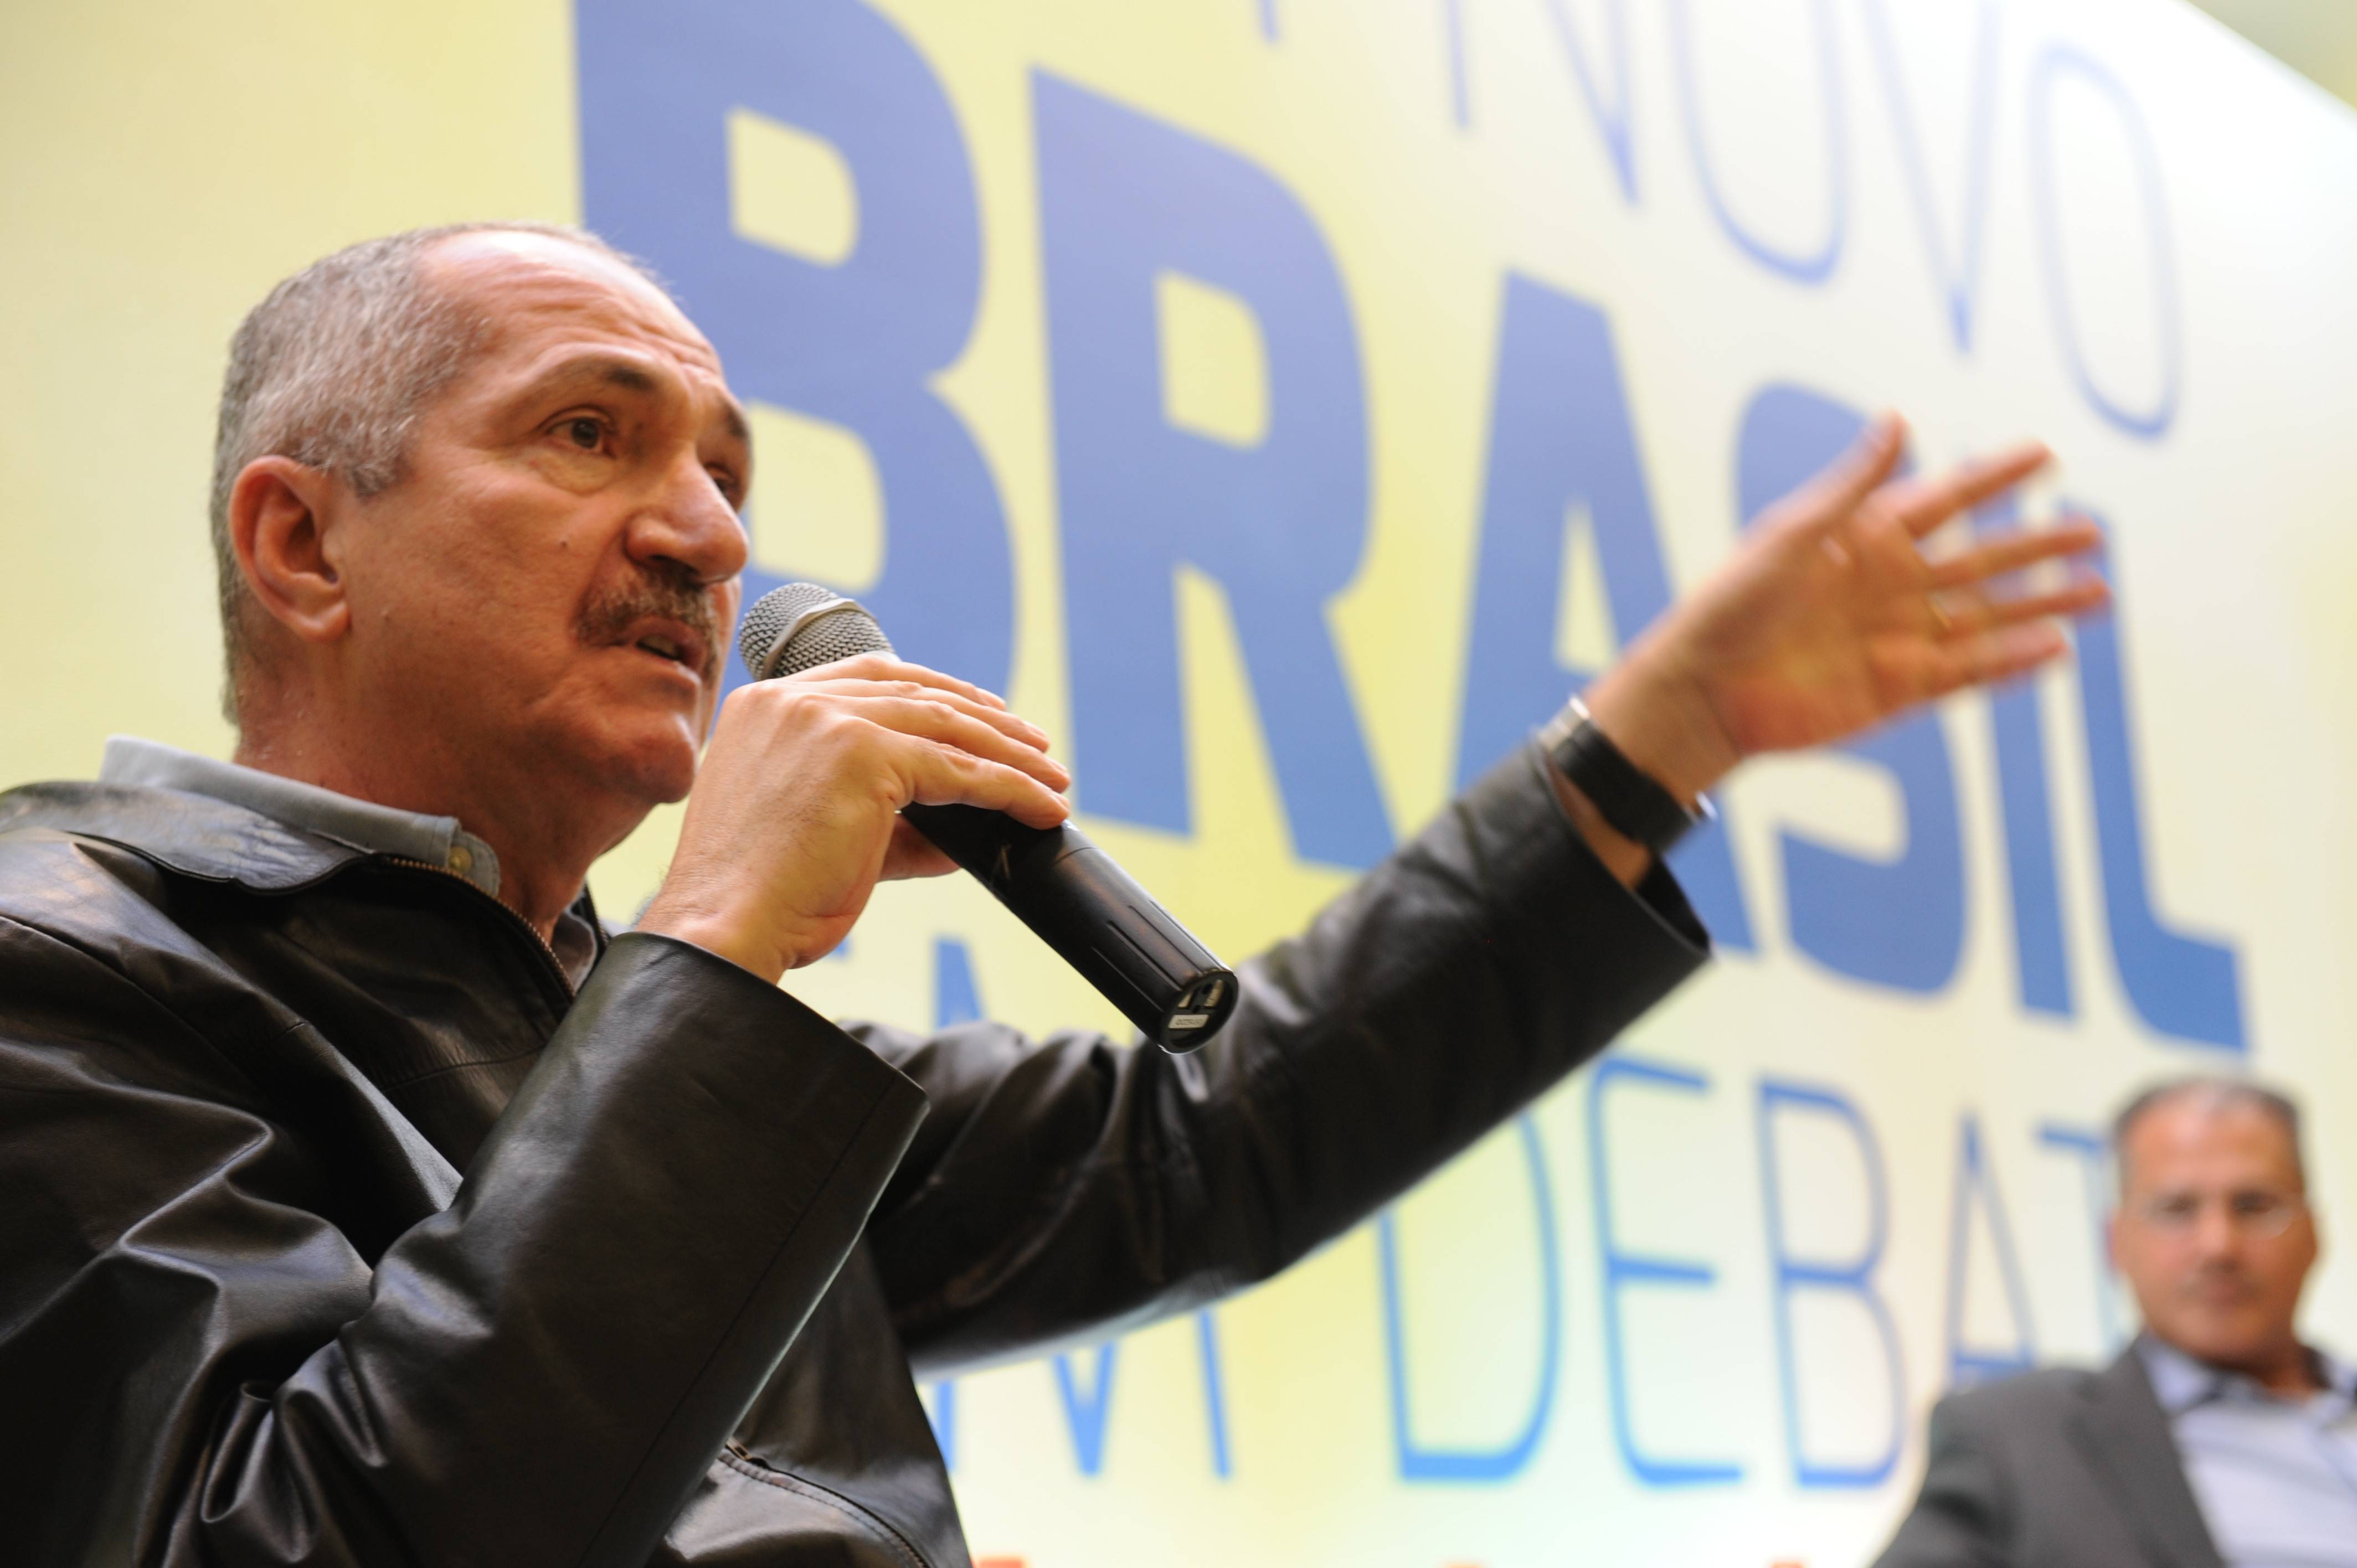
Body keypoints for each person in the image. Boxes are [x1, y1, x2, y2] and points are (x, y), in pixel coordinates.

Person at [0, 221, 2104, 1567]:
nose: (707, 535)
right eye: (586, 432)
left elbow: (1210, 1132)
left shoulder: (610, 1025)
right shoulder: (61, 967)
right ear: (302, 544)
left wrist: (1655, 733)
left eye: (724, 470)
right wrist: (714, 944)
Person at [1875, 1078, 2355, 1567]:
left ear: (2314, 1232)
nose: (2218, 1246)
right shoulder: (2017, 1440)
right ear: (2116, 1242)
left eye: (2254, 1206)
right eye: (2176, 1209)